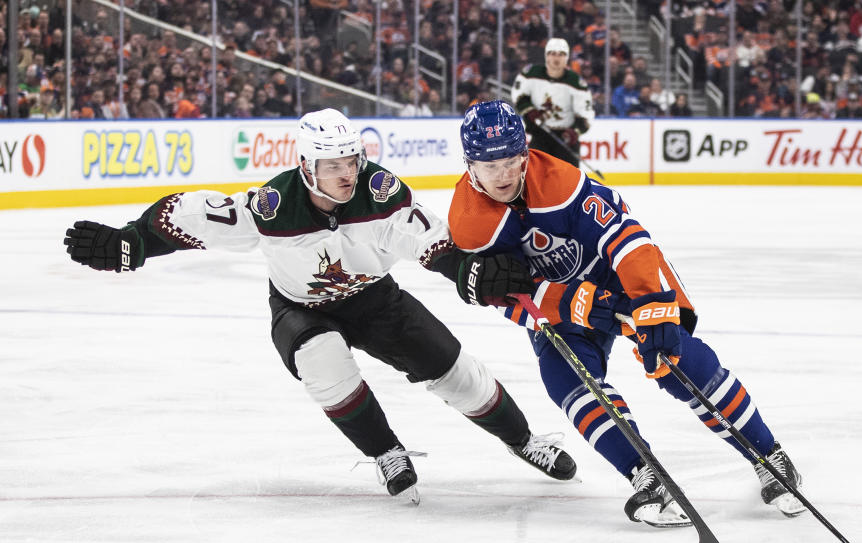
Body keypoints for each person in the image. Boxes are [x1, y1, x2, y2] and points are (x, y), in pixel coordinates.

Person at [63, 108, 576, 503]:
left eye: (350, 161)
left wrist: (469, 271)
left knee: (455, 373)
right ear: (306, 165)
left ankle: (522, 439)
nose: (346, 174)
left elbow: (426, 240)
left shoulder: (380, 193)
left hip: (375, 299)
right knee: (323, 362)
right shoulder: (273, 206)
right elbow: (194, 213)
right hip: (301, 309)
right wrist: (132, 242)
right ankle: (386, 452)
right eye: (332, 166)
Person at [446, 100, 806, 527]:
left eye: (512, 160)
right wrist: (580, 305)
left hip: (624, 279)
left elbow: (628, 239)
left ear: (525, 152)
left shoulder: (562, 183)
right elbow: (507, 296)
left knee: (674, 359)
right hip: (561, 300)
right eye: (491, 166)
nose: (505, 174)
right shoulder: (468, 222)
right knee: (564, 375)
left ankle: (769, 455)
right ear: (470, 165)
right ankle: (644, 473)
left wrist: (651, 306)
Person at [510, 38, 595, 168]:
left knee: (568, 181)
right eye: (552, 53)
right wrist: (529, 111)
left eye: (561, 54)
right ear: (546, 56)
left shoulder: (576, 83)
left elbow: (586, 114)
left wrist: (575, 132)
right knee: (536, 176)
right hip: (540, 134)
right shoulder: (531, 73)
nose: (556, 58)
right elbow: (519, 96)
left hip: (565, 139)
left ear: (566, 58)